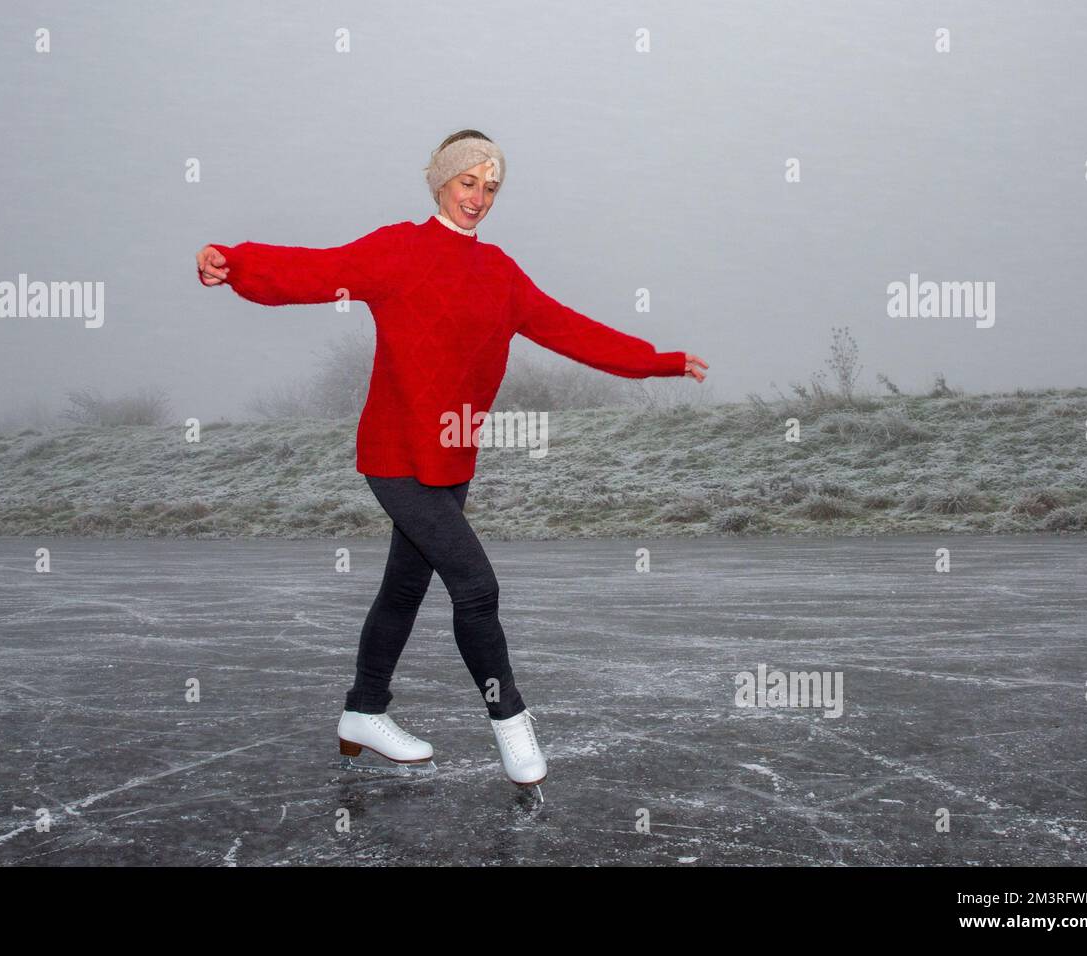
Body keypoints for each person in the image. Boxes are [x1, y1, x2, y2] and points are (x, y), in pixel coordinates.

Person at [197, 129, 707, 788]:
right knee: (476, 587)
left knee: (404, 589)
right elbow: (316, 270)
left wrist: (657, 361)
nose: (479, 198)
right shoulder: (398, 250)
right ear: (442, 180)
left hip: (452, 457)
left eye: (491, 188)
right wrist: (233, 262)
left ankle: (362, 711)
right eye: (469, 183)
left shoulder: (499, 272)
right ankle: (512, 726)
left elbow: (570, 328)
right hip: (392, 453)